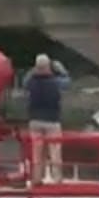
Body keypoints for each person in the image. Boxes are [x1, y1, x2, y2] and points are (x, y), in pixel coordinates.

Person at [23, 54, 69, 184]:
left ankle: (37, 178)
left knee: (37, 151)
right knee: (55, 150)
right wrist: (61, 69)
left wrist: (34, 69)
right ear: (49, 66)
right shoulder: (56, 82)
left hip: (34, 120)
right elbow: (67, 81)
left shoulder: (31, 82)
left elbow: (24, 81)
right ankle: (57, 178)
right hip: (52, 120)